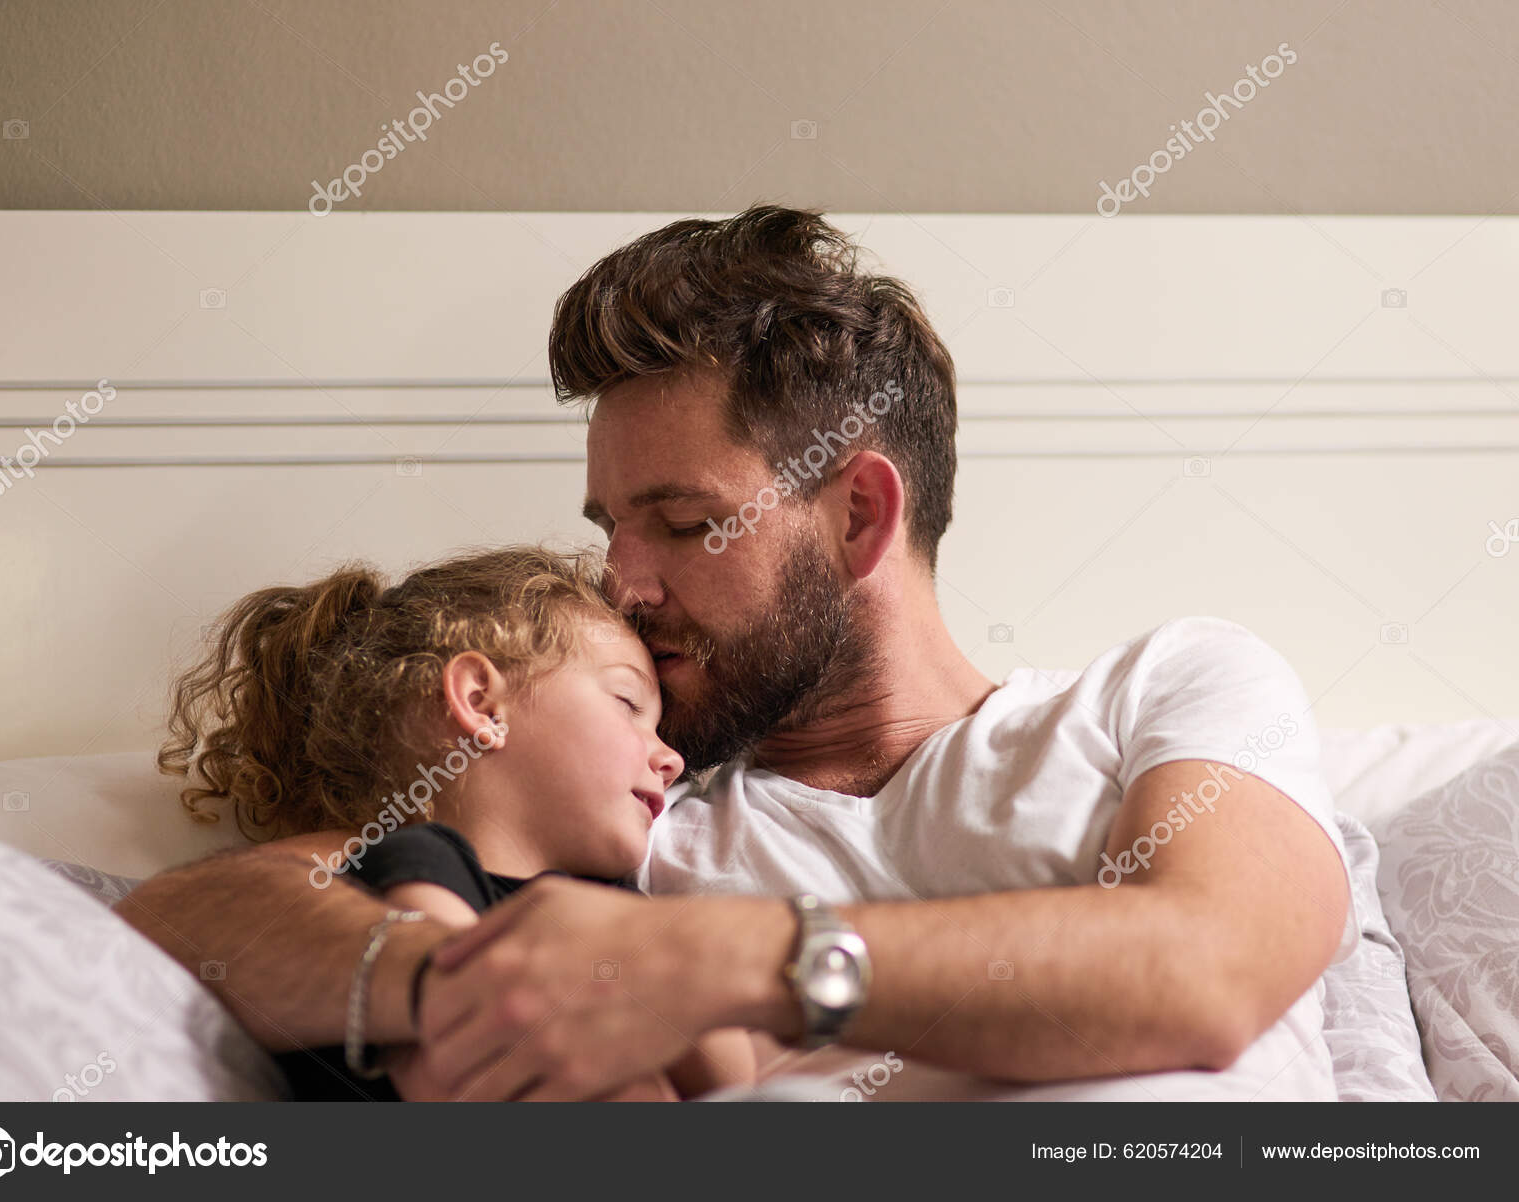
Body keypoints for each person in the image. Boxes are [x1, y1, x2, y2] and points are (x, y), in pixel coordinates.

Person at [119, 205, 1356, 1102]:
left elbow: (1209, 967)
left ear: (860, 517)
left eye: (686, 521)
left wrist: (730, 956)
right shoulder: (622, 813)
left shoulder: (1164, 690)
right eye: (612, 528)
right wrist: (454, 983)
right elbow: (190, 912)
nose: (622, 581)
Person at [151, 545, 753, 1100]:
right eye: (628, 705)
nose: (670, 758)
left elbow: (729, 1081)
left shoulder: (615, 904)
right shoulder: (413, 864)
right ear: (482, 704)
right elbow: (474, 1043)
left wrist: (681, 978)